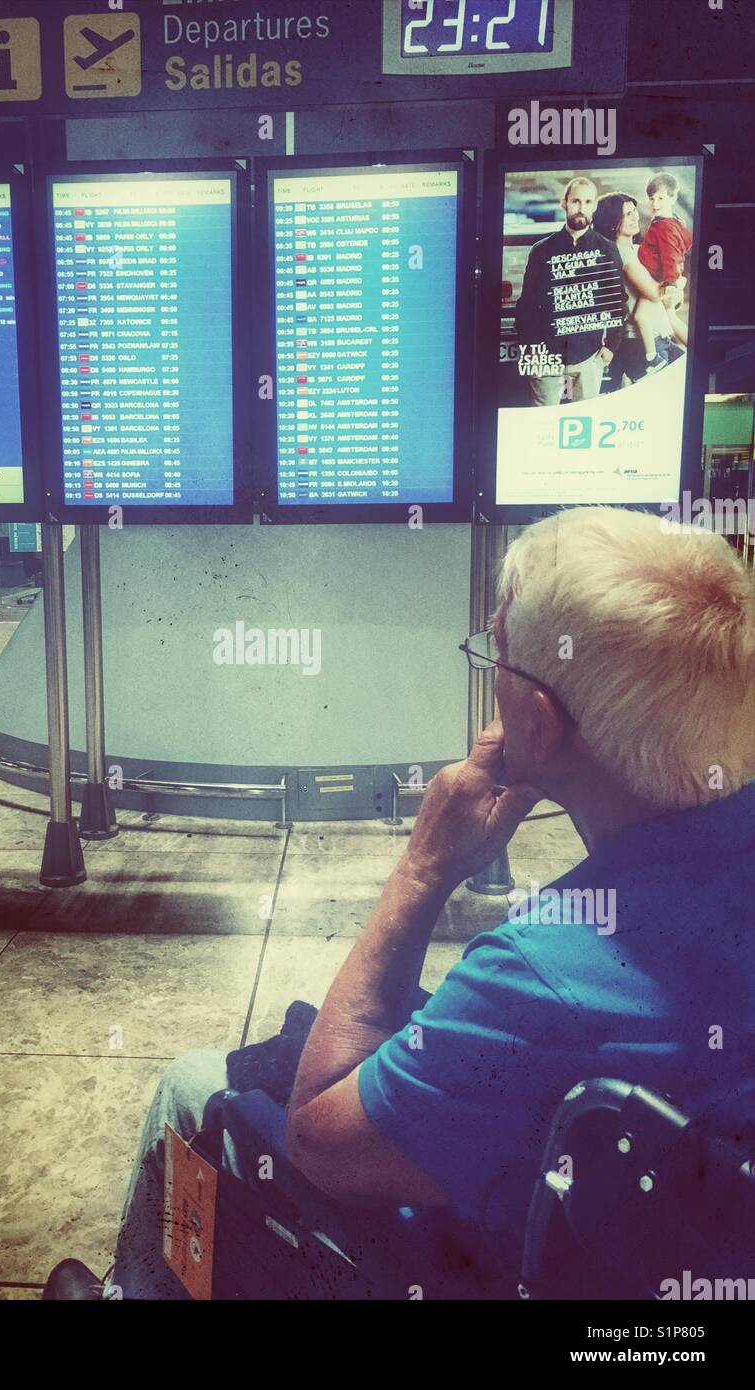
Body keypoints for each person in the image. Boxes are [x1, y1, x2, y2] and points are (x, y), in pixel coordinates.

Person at [45, 506, 755, 1300]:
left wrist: (422, 870)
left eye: (499, 655)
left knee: (190, 1082)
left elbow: (319, 1141)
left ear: (536, 723)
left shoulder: (546, 972)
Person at [514, 176, 626, 407]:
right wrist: (532, 348)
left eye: (587, 202)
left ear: (594, 206)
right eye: (576, 201)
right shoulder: (542, 251)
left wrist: (611, 346)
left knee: (584, 423)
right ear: (563, 203)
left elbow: (616, 301)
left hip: (589, 353)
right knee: (544, 422)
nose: (581, 208)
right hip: (545, 355)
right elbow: (526, 305)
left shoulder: (607, 249)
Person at [591, 190, 663, 391]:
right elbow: (656, 292)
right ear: (613, 221)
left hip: (652, 335)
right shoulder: (618, 255)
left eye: (635, 211)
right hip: (634, 341)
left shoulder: (637, 250)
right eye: (627, 214)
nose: (636, 217)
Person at [632, 172, 692, 372]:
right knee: (669, 318)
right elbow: (681, 245)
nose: (655, 204)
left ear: (673, 198)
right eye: (652, 198)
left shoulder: (664, 227)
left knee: (641, 317)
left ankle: (653, 359)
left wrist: (671, 283)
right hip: (662, 277)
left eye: (661, 198)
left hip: (657, 279)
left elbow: (670, 256)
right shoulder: (671, 222)